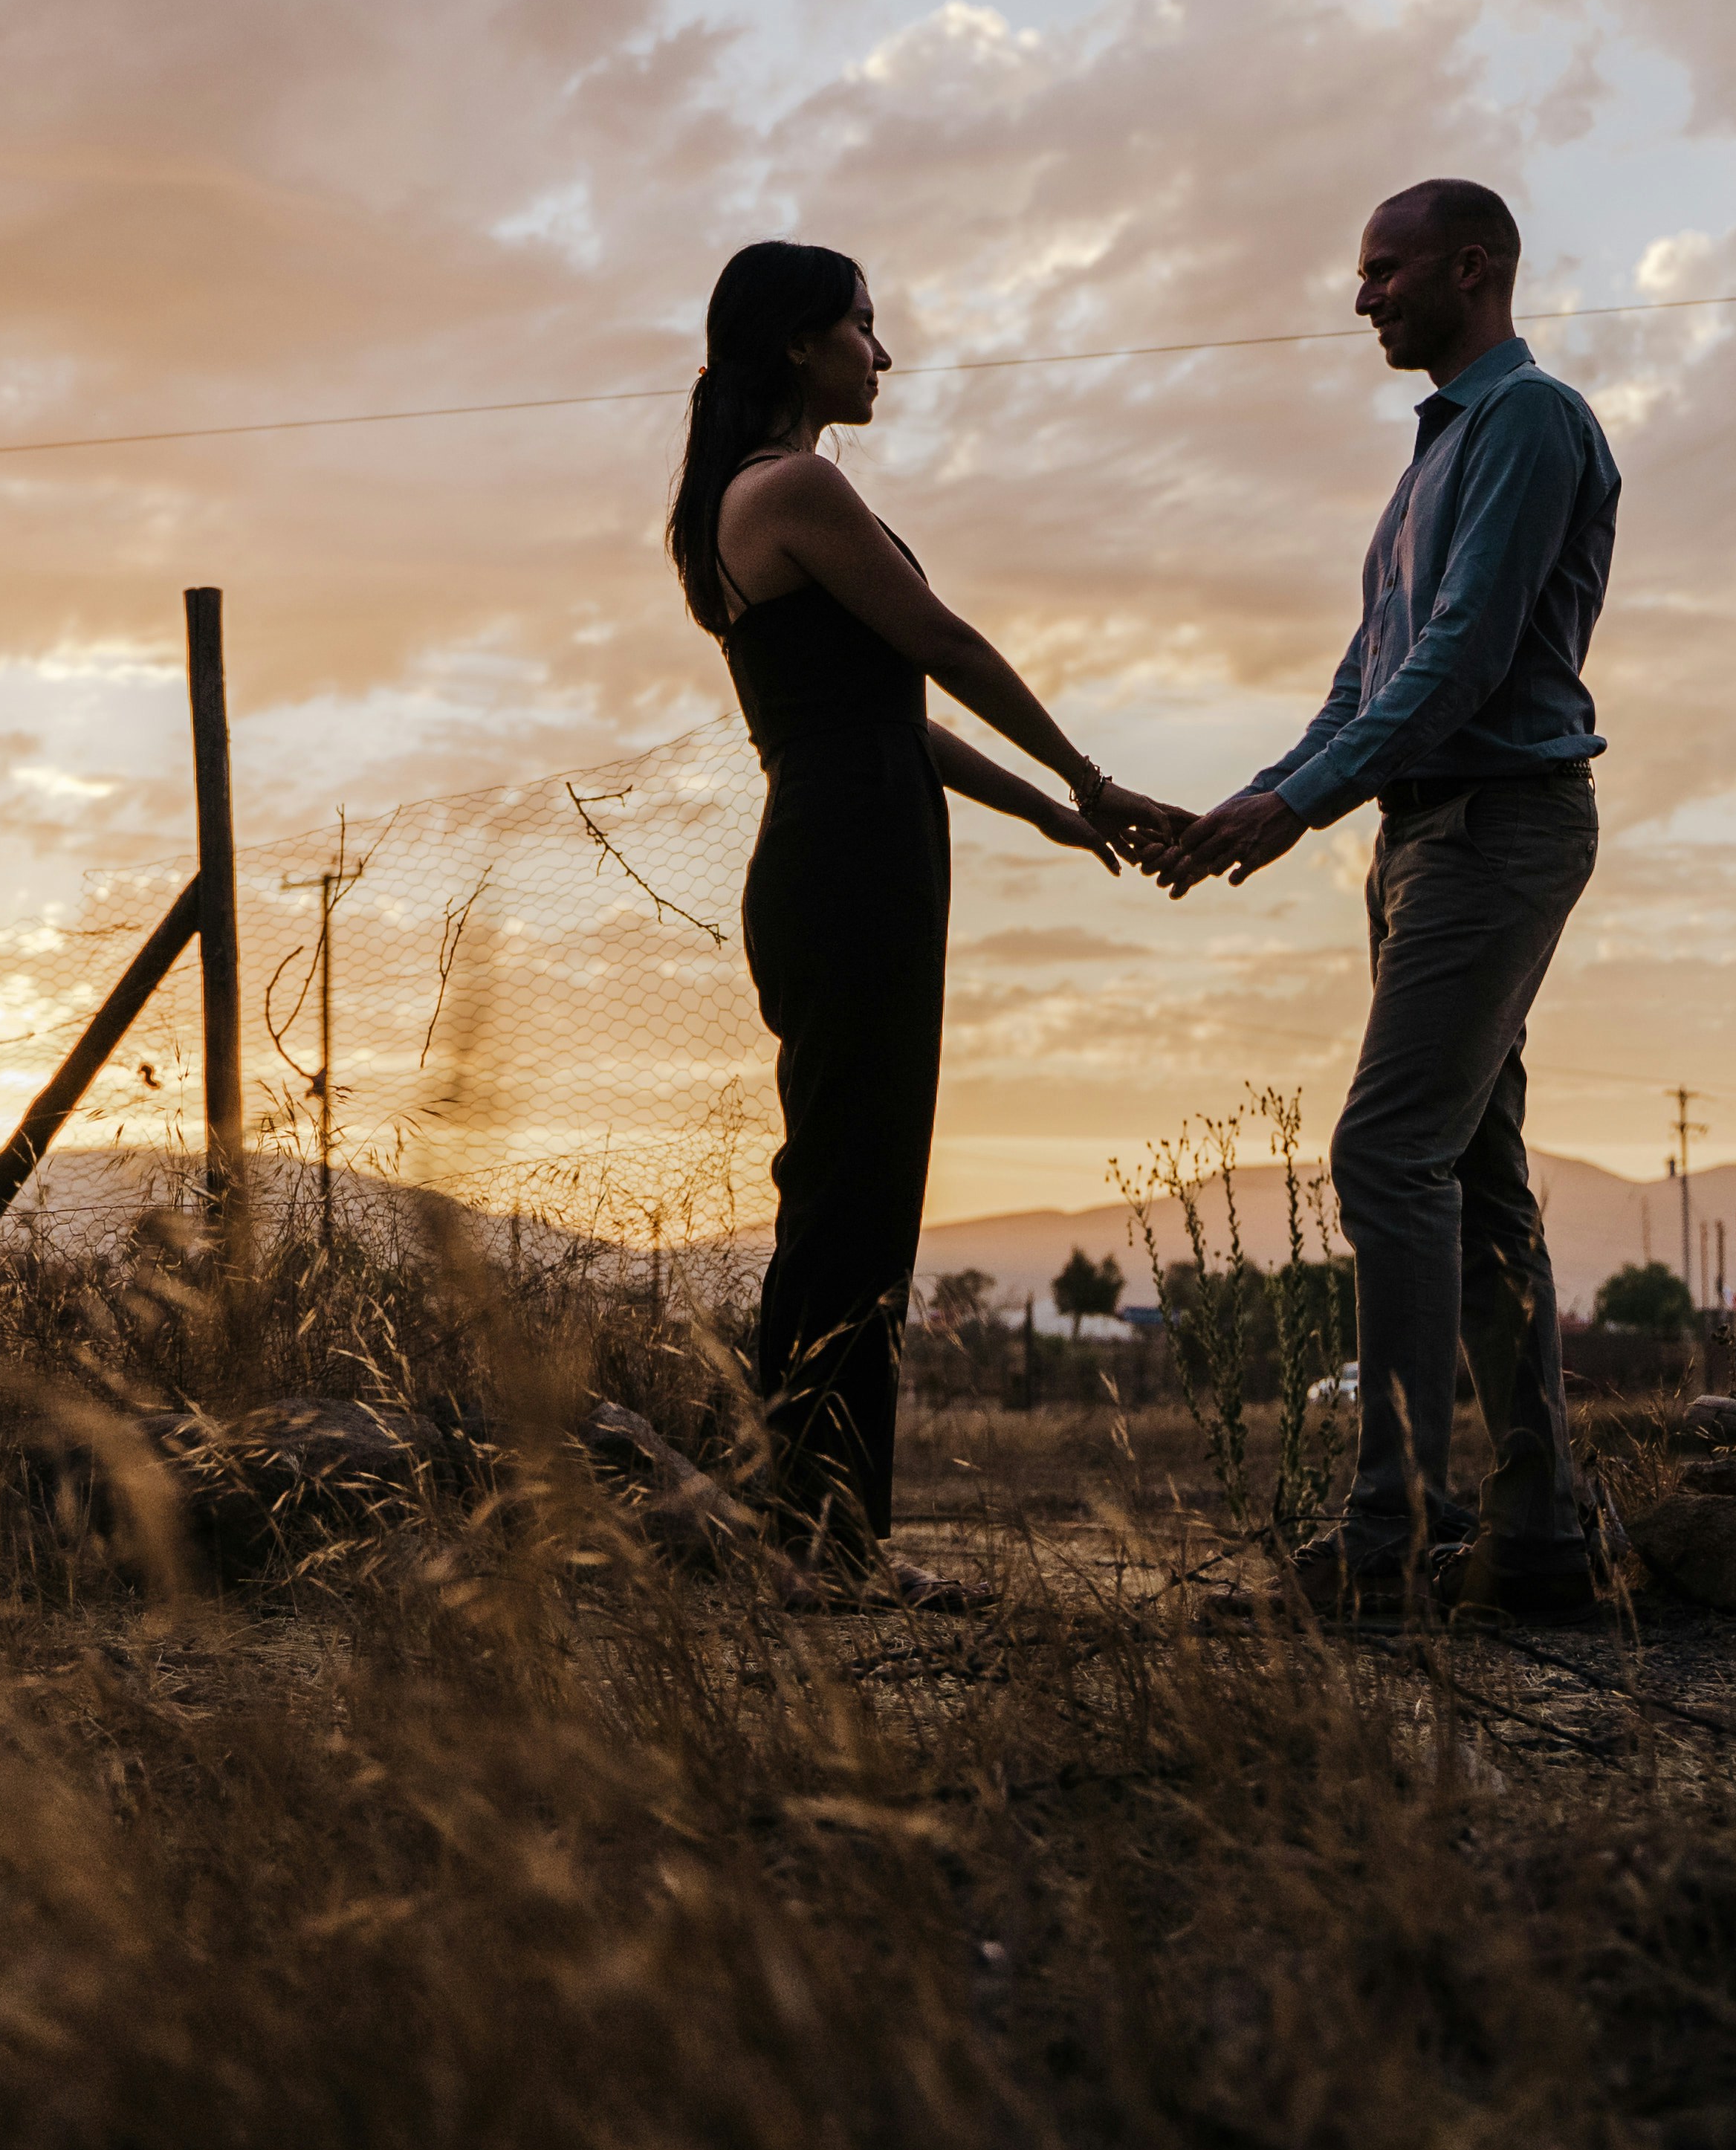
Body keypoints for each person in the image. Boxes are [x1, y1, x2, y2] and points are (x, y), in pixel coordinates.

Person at [667, 240, 1182, 1590]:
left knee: (850, 1195)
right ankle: (824, 1542)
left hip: (855, 842)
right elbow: (947, 650)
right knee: (852, 1204)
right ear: (797, 343)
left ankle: (812, 1532)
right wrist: (1095, 773)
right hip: (852, 860)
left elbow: (891, 724)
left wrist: (1049, 812)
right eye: (863, 326)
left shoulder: (748, 495)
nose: (882, 356)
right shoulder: (796, 486)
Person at [1159, 178, 1619, 1616]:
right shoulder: (1431, 459)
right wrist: (1261, 799)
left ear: (1471, 268)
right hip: (1425, 837)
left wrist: (1296, 800)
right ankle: (1537, 1543)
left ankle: (1389, 1540)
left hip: (1499, 826)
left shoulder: (1531, 423)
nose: (1362, 297)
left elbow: (1466, 660)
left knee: (1383, 1154)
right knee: (1473, 1182)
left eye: (1386, 269)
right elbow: (1369, 678)